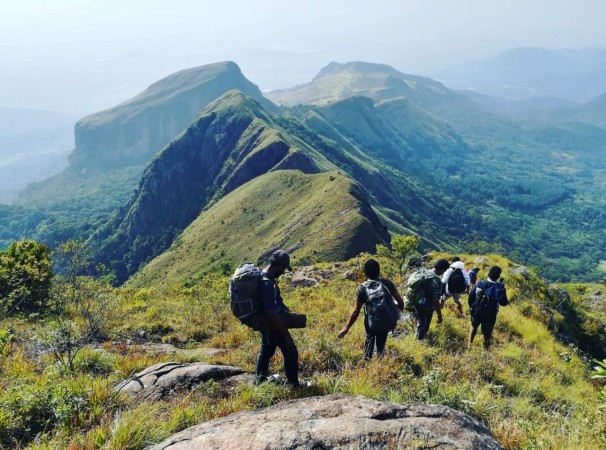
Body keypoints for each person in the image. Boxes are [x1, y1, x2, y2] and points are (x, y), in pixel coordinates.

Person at [338, 259, 404, 360]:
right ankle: (380, 359)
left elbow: (356, 311)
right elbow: (400, 301)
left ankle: (367, 360)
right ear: (379, 270)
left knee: (369, 339)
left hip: (371, 322)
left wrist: (346, 328)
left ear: (365, 273)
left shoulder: (362, 288)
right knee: (381, 342)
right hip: (386, 319)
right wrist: (396, 316)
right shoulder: (387, 283)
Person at [255, 249, 300, 386]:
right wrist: (286, 334)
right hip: (272, 324)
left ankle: (259, 381)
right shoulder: (267, 283)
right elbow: (271, 312)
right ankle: (293, 384)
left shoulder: (264, 276)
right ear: (279, 266)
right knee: (290, 350)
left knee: (267, 350)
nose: (283, 272)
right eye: (283, 269)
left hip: (269, 323)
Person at [405, 258, 449, 340]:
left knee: (418, 320)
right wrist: (439, 315)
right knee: (423, 325)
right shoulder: (436, 281)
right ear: (442, 270)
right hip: (425, 306)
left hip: (413, 301)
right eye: (445, 270)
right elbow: (435, 301)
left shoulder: (422, 272)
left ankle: (416, 335)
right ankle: (419, 342)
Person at [468, 265, 509, 349]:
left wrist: (472, 308)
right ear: (498, 276)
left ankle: (469, 345)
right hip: (491, 314)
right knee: (487, 333)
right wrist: (503, 288)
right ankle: (485, 349)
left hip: (477, 310)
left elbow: (471, 297)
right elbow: (503, 303)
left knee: (474, 326)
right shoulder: (499, 288)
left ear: (488, 274)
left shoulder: (479, 283)